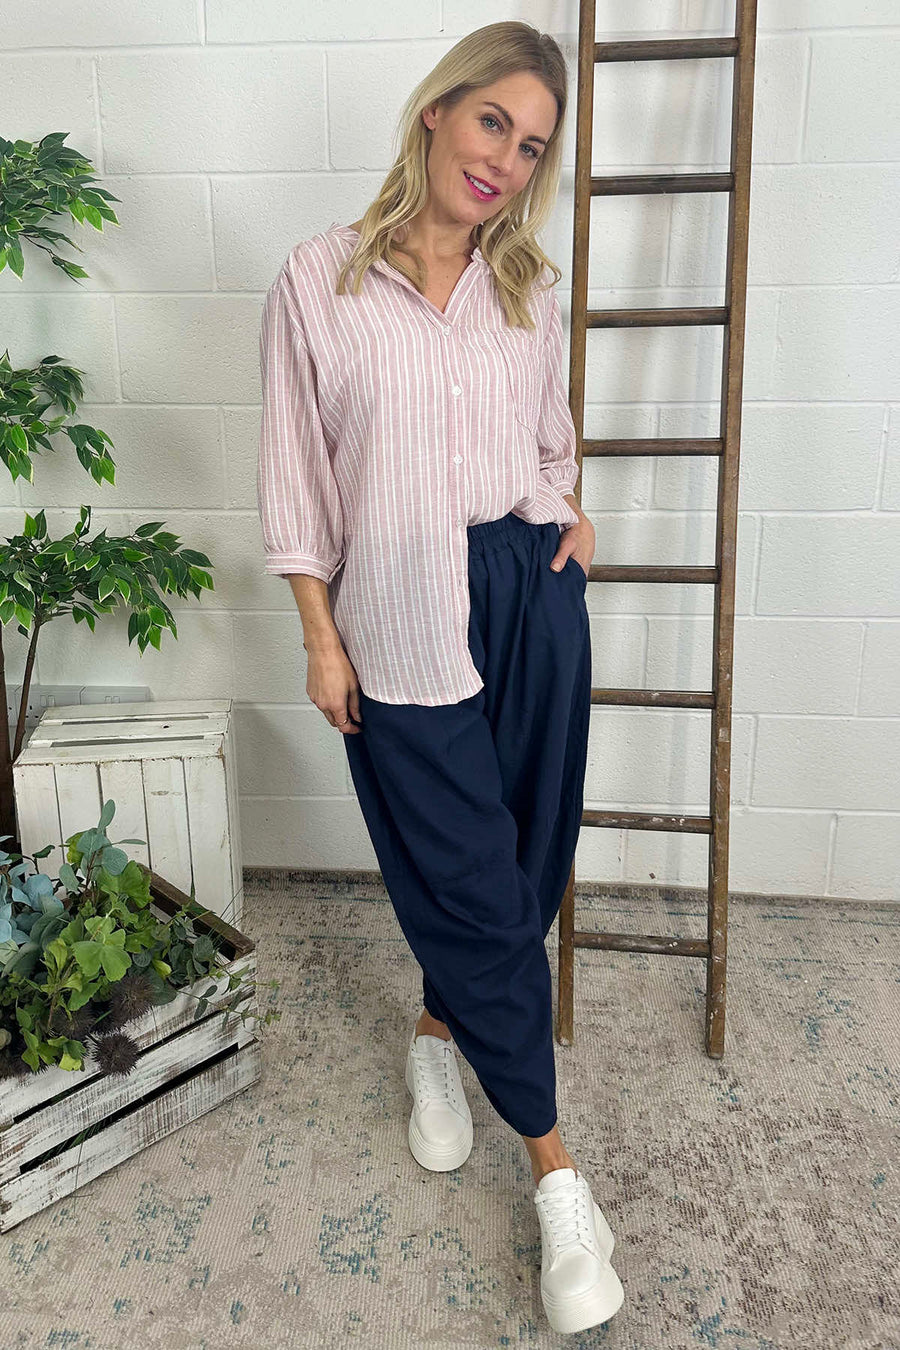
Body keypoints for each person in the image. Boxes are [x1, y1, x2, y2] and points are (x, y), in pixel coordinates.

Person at [256, 20, 624, 1336]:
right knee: (470, 878)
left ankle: (435, 1036)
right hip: (398, 614)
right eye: (492, 124)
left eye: (531, 147)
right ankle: (557, 1173)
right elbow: (298, 479)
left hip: (527, 598)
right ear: (437, 112)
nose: (505, 161)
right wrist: (321, 636)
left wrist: (568, 517)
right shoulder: (319, 281)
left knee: (525, 858)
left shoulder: (529, 286)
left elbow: (548, 444)